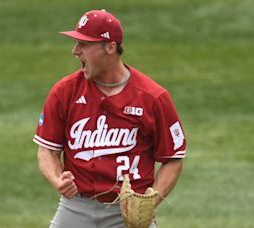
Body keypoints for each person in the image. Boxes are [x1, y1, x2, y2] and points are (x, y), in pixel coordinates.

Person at [33, 9, 186, 228]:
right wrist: (58, 179)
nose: (75, 51)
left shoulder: (152, 98)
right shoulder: (65, 92)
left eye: (84, 45)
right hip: (75, 208)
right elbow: (47, 150)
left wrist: (151, 200)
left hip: (128, 212)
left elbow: (173, 158)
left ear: (110, 47)